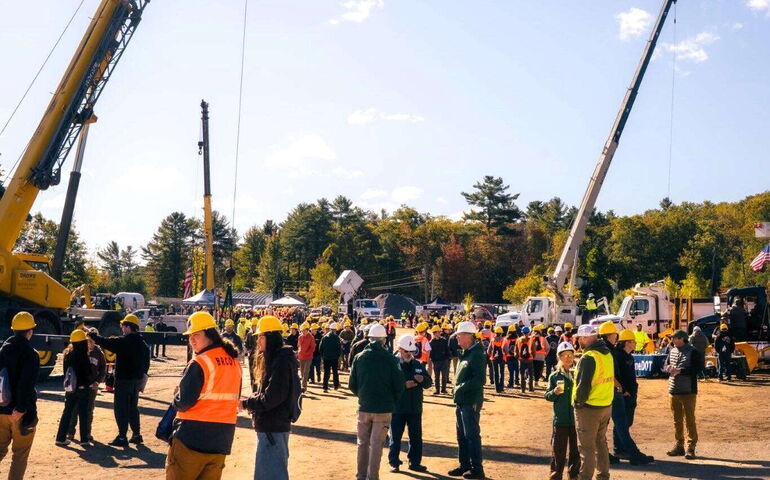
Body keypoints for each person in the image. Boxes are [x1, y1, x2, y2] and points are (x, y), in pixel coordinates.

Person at [168, 311, 241, 480]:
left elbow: (183, 402)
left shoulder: (200, 362)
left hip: (191, 438)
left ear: (209, 334)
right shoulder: (234, 362)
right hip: (221, 439)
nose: (191, 340)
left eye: (196, 335)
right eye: (190, 336)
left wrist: (176, 394)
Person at [242, 315, 300, 480]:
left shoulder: (280, 361)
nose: (258, 341)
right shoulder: (278, 359)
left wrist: (247, 403)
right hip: (273, 428)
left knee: (270, 475)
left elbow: (272, 397)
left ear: (271, 337)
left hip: (272, 429)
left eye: (261, 336)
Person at [349, 324, 405, 480]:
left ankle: (361, 476)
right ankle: (373, 477)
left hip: (364, 407)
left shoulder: (359, 358)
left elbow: (352, 384)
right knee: (376, 445)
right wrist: (391, 401)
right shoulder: (391, 360)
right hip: (383, 409)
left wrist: (363, 396)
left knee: (362, 443)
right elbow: (399, 385)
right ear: (383, 340)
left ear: (369, 339)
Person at [89, 313, 150, 447]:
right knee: (133, 408)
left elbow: (107, 342)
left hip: (123, 380)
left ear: (128, 327)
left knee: (121, 408)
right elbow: (147, 360)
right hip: (136, 381)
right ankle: (137, 434)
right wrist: (142, 374)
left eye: (123, 326)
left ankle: (122, 436)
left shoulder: (124, 342)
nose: (122, 329)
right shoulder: (142, 343)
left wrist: (93, 336)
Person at [0, 312, 39, 479]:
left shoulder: (2, 351)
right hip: (20, 413)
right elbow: (26, 384)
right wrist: (22, 408)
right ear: (29, 332)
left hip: (1, 410)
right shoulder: (31, 354)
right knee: (20, 455)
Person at [572, 324, 614, 480]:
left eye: (579, 338)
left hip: (589, 408)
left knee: (587, 448)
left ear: (584, 338)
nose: (578, 341)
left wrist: (578, 404)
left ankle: (585, 477)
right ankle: (603, 475)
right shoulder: (606, 354)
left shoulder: (589, 357)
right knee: (601, 443)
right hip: (605, 405)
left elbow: (583, 385)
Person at [388, 335, 432, 473]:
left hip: (415, 408)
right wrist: (404, 385)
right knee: (395, 437)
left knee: (416, 437)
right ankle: (394, 462)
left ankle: (414, 462)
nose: (409, 354)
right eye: (406, 351)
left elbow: (428, 383)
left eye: (411, 351)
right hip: (398, 409)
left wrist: (422, 379)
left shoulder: (418, 365)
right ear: (399, 349)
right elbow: (387, 385)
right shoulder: (393, 365)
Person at [447, 321, 485, 479]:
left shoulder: (476, 354)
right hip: (462, 400)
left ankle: (477, 468)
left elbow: (479, 379)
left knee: (471, 434)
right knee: (462, 435)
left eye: (459, 336)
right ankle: (465, 465)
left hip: (470, 400)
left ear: (469, 336)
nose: (457, 339)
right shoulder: (467, 354)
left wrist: (460, 387)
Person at [610, 329, 654, 465]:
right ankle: (629, 451)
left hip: (630, 395)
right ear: (626, 342)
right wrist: (623, 391)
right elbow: (615, 375)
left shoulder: (629, 356)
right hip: (622, 395)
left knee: (625, 423)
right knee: (622, 424)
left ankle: (620, 449)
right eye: (633, 341)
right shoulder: (618, 356)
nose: (635, 343)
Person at [545, 342, 580, 480]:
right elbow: (547, 396)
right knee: (558, 451)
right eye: (564, 355)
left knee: (576, 450)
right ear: (559, 357)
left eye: (570, 355)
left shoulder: (579, 373)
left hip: (577, 419)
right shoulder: (554, 376)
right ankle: (555, 475)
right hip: (560, 420)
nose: (568, 358)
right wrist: (554, 392)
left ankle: (574, 475)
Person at [56, 329, 97, 446]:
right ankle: (84, 439)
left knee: (67, 412)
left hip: (70, 389)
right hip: (83, 388)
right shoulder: (83, 355)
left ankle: (60, 437)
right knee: (83, 414)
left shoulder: (67, 355)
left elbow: (65, 372)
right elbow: (88, 373)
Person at [664, 330, 700, 459]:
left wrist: (681, 370)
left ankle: (691, 447)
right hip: (674, 390)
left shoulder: (693, 351)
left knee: (690, 420)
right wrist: (667, 368)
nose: (672, 340)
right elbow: (666, 364)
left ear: (682, 339)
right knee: (677, 420)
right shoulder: (672, 350)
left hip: (688, 391)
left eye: (674, 338)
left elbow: (698, 368)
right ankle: (679, 445)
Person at [67, 328, 107, 442]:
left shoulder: (99, 352)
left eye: (92, 340)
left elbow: (103, 369)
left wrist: (98, 382)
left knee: (88, 410)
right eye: (88, 340)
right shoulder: (81, 351)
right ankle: (70, 432)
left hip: (92, 387)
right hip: (80, 386)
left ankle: (87, 433)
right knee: (75, 409)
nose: (90, 342)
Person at [319, 322, 342, 392]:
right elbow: (339, 348)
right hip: (334, 358)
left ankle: (325, 387)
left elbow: (320, 348)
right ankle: (336, 385)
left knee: (326, 372)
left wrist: (323, 356)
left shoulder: (324, 337)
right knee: (335, 372)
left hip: (326, 358)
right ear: (335, 330)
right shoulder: (337, 338)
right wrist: (338, 356)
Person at [429, 325, 450, 395]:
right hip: (436, 362)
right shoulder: (431, 342)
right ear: (434, 333)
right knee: (436, 377)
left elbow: (447, 350)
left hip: (444, 361)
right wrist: (433, 360)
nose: (439, 333)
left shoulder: (444, 340)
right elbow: (431, 353)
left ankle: (443, 389)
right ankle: (437, 390)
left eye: (439, 332)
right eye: (438, 332)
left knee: (444, 376)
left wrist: (447, 358)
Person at [297, 323, 316, 392]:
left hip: (308, 357)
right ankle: (303, 384)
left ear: (307, 330)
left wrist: (307, 353)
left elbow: (313, 348)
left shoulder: (311, 337)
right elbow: (299, 346)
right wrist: (299, 352)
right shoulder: (300, 337)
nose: (303, 332)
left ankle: (304, 386)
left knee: (306, 372)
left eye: (304, 330)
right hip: (301, 357)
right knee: (302, 372)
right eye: (302, 331)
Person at [515, 326, 535, 393]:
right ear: (529, 332)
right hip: (530, 359)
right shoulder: (531, 340)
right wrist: (533, 357)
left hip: (521, 359)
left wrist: (518, 357)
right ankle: (530, 388)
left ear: (522, 332)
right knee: (530, 374)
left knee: (522, 374)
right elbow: (533, 350)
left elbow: (516, 350)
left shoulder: (518, 340)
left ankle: (523, 389)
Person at [487, 327, 506, 393]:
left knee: (495, 373)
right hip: (502, 358)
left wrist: (491, 355)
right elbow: (506, 350)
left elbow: (488, 351)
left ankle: (497, 388)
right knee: (502, 372)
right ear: (501, 333)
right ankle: (501, 387)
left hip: (494, 358)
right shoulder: (503, 340)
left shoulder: (492, 340)